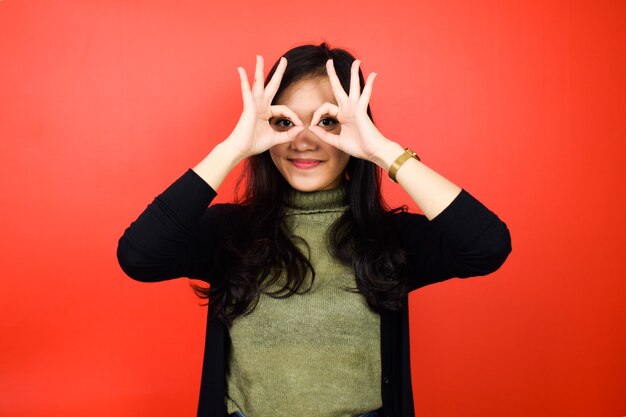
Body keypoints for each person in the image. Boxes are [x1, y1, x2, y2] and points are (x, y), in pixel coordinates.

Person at [117, 43, 511, 417]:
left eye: (327, 122)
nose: (303, 140)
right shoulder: (230, 232)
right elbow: (139, 256)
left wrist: (382, 150)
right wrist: (232, 148)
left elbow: (488, 245)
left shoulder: (389, 238)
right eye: (284, 122)